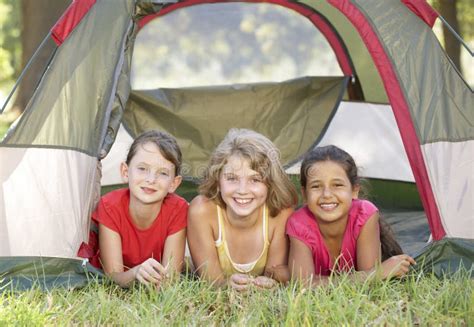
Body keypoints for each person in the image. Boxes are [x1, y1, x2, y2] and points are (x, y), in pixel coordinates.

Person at [187, 128, 298, 291]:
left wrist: (268, 284)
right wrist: (225, 286)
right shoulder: (202, 211)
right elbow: (211, 284)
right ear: (217, 180)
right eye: (232, 178)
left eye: (255, 179)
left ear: (270, 183)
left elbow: (274, 276)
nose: (242, 190)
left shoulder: (280, 214)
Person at [287, 145, 415, 285]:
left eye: (337, 185)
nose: (327, 195)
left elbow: (371, 285)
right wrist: (377, 273)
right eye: (316, 186)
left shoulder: (364, 214)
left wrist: (373, 275)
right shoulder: (298, 223)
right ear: (305, 195)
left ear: (354, 190)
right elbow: (304, 285)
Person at [82, 130, 187, 288]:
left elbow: (170, 278)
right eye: (142, 169)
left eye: (163, 173)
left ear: (174, 183)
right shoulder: (110, 206)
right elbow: (113, 276)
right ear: (125, 172)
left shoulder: (178, 209)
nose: (151, 179)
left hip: (153, 274)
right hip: (124, 274)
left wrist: (161, 282)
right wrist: (135, 274)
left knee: (188, 264)